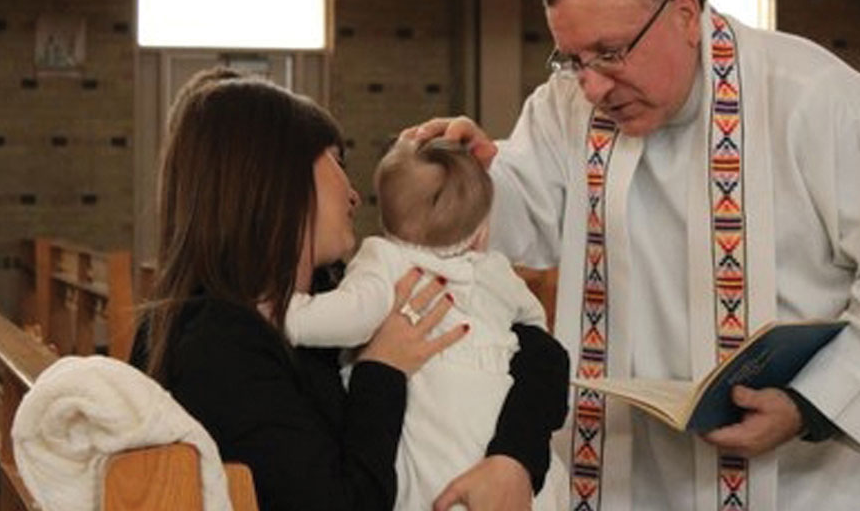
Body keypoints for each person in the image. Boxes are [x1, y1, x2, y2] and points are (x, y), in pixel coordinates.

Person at [408, 0, 860, 510]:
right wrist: (473, 175)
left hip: (818, 473)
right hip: (646, 461)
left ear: (685, 15)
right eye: (571, 59)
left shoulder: (818, 99)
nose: (592, 86)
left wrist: (807, 404)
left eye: (610, 53)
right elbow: (530, 222)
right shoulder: (568, 105)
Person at [130, 74, 568, 511]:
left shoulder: (334, 291)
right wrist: (382, 367)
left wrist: (512, 460)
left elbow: (541, 355)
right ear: (277, 176)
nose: (355, 195)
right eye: (337, 162)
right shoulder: (213, 344)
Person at [284, 136, 568, 510]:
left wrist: (289, 314)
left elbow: (351, 317)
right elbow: (534, 328)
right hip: (502, 458)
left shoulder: (384, 260)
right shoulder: (495, 271)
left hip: (434, 469)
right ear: (481, 232)